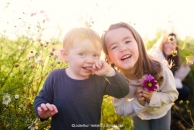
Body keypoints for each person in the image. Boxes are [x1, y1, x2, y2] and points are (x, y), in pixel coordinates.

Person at [34, 27, 129, 130]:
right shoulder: (56, 77)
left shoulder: (98, 79)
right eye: (82, 54)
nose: (90, 60)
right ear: (65, 55)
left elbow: (122, 91)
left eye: (95, 55)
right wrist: (42, 110)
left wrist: (109, 71)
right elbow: (41, 98)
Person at [101, 22, 178, 130]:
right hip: (138, 114)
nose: (122, 49)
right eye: (114, 47)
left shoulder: (159, 69)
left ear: (139, 43)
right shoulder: (117, 80)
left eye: (127, 41)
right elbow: (120, 108)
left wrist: (152, 97)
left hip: (161, 112)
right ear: (109, 58)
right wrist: (139, 102)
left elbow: (172, 95)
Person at [148, 33, 194, 101]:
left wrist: (185, 65)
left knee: (184, 90)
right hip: (153, 87)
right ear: (162, 43)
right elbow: (163, 80)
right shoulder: (156, 54)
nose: (169, 45)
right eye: (167, 42)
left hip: (161, 86)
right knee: (182, 90)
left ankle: (168, 105)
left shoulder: (171, 59)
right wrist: (176, 82)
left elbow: (174, 78)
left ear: (176, 47)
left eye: (172, 43)